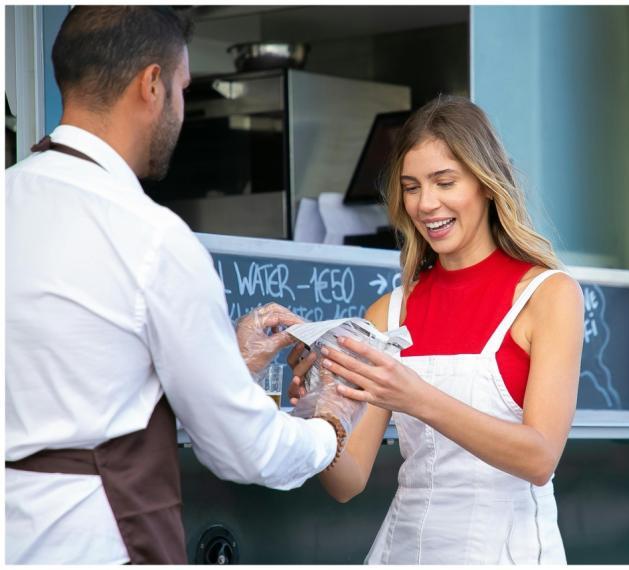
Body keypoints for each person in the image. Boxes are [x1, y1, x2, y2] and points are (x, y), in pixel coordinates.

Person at [5, 7, 361, 564]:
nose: (181, 107)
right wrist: (331, 424)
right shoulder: (151, 238)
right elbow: (245, 451)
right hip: (95, 546)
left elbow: (91, 380)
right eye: (182, 87)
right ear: (151, 85)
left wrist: (227, 359)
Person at [288, 95, 585, 564]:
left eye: (444, 182)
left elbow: (540, 457)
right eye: (411, 187)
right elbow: (349, 482)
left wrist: (415, 397)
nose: (426, 204)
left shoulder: (549, 295)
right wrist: (317, 413)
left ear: (487, 184)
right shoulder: (390, 311)